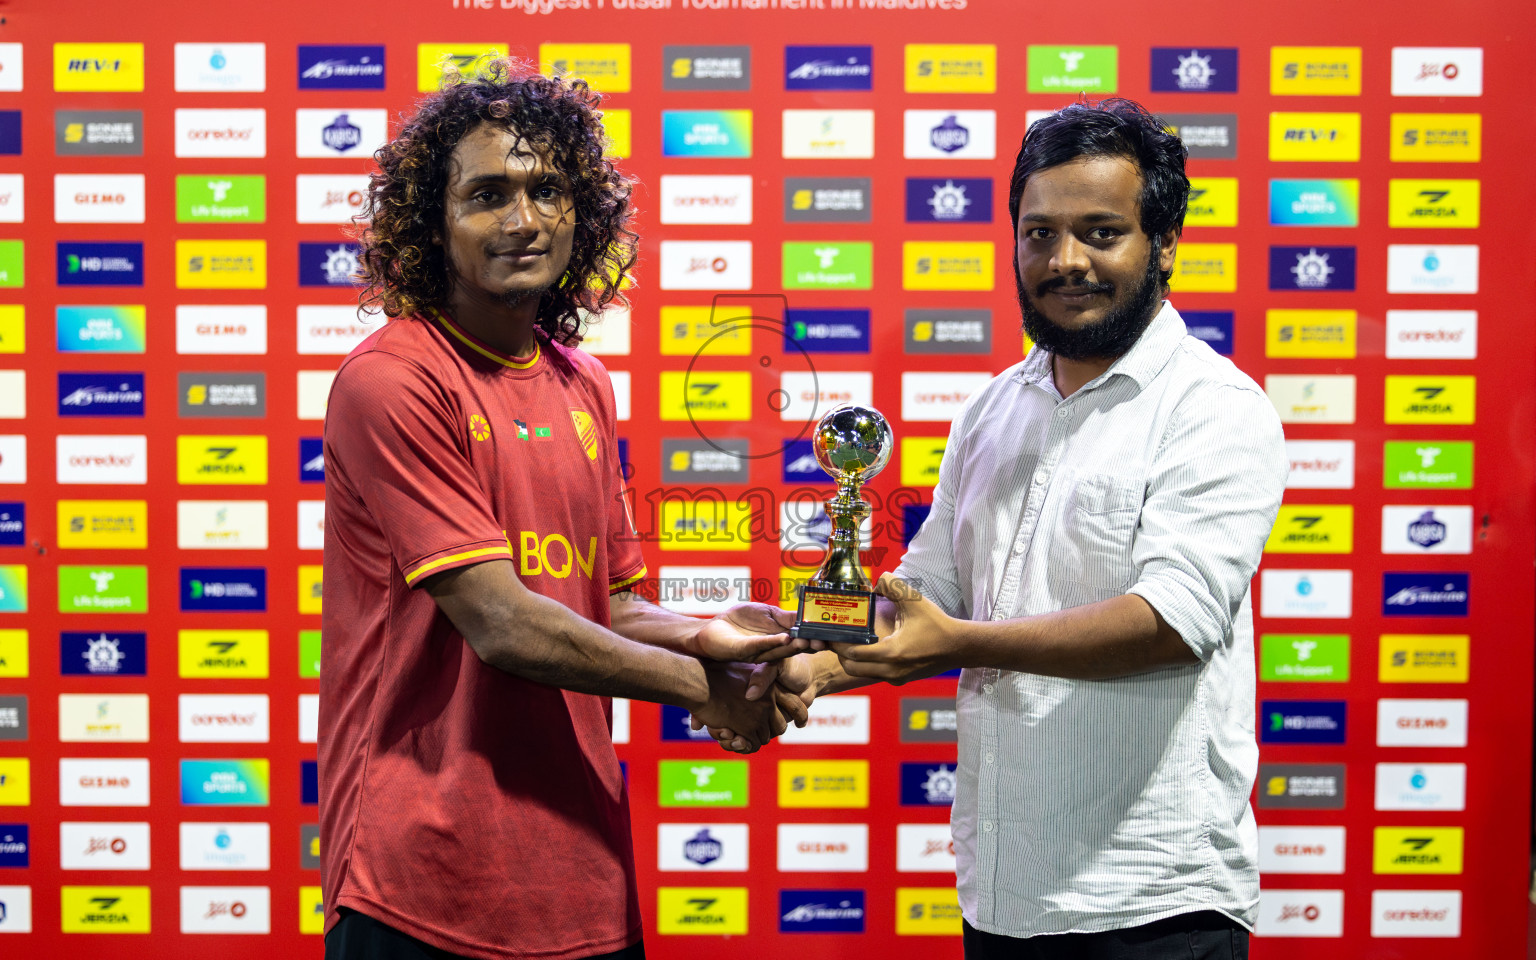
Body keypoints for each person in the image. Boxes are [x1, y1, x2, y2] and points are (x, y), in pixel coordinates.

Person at [771, 98, 1287, 958]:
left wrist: (956, 641)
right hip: (1003, 894)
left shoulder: (1214, 408)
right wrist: (811, 661)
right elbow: (925, 596)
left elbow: (1169, 622)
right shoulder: (991, 410)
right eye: (1039, 233)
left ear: (1163, 245)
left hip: (1151, 905)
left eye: (1100, 232)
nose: (1065, 260)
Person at [319, 59, 809, 960]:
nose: (523, 220)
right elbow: (504, 625)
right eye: (487, 194)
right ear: (435, 221)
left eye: (548, 190)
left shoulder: (583, 380)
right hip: (419, 880)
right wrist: (711, 693)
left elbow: (609, 605)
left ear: (583, 213)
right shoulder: (391, 379)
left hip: (581, 877)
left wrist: (710, 637)